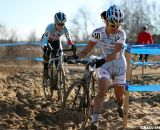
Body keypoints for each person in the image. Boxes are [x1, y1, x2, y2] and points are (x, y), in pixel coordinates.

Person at [68, 5, 126, 129]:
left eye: (119, 25)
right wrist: (74, 57)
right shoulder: (98, 33)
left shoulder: (121, 34)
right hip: (104, 65)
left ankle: (120, 106)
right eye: (113, 25)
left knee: (120, 96)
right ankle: (95, 121)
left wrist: (101, 61)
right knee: (102, 89)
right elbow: (87, 50)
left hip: (119, 65)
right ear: (107, 22)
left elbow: (116, 54)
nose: (116, 28)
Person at [40, 11, 75, 80]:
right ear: (55, 22)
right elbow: (44, 39)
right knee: (46, 54)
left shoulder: (65, 29)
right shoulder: (50, 27)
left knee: (58, 57)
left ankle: (57, 76)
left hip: (56, 41)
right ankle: (45, 70)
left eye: (62, 24)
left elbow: (69, 40)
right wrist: (45, 46)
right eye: (59, 24)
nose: (60, 26)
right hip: (47, 41)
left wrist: (72, 45)